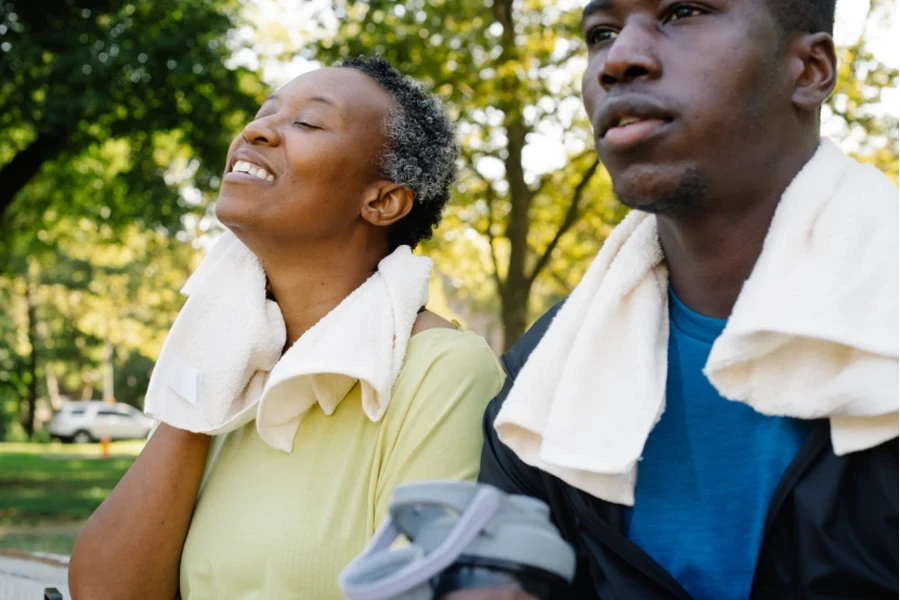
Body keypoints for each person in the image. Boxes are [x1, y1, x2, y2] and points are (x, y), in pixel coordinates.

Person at [451, 1, 898, 599]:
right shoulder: (544, 379)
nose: (619, 58)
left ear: (810, 69)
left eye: (683, 12)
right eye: (601, 33)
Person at [68, 56, 505, 600]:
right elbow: (106, 592)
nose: (255, 131)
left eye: (308, 123)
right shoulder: (232, 359)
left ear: (382, 201)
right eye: (264, 113)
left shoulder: (443, 371)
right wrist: (209, 357)